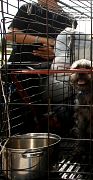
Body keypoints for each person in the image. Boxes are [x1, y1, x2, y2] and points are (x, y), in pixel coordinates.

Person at [3, 0, 76, 134]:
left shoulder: (69, 19)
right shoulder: (28, 8)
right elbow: (10, 35)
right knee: (18, 108)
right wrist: (45, 40)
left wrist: (55, 53)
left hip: (52, 72)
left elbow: (70, 49)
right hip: (22, 69)